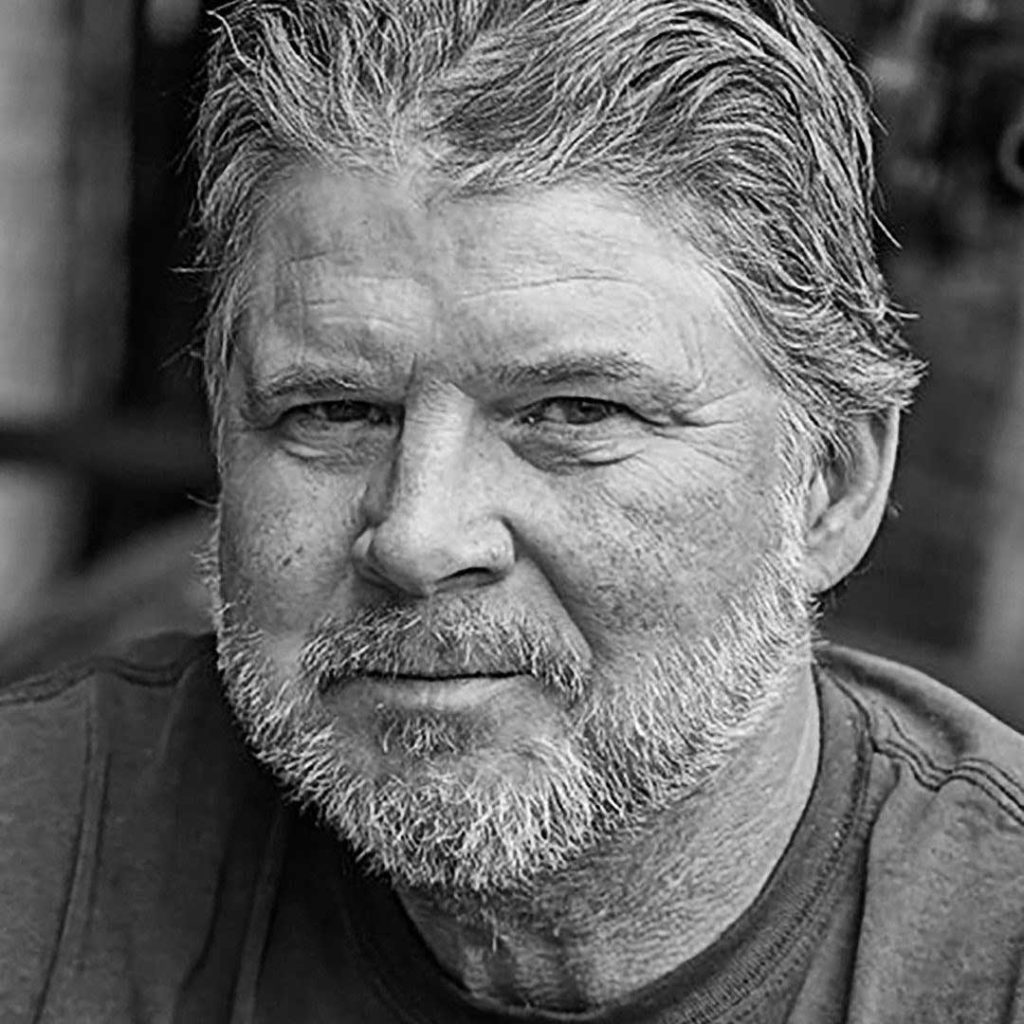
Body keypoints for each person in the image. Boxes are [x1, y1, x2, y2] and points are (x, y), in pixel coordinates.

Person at [3, 0, 1024, 1020]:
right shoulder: (38, 852)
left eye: (574, 412)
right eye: (334, 411)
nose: (417, 538)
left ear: (831, 484)